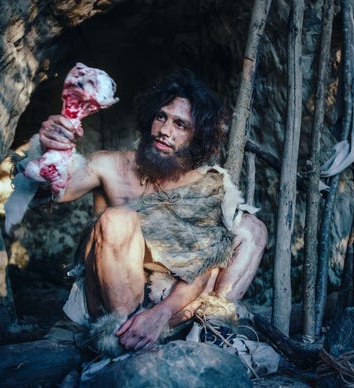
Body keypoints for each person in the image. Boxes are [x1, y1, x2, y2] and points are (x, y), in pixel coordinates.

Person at [36, 69, 267, 354]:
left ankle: (212, 326)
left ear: (197, 137)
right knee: (118, 218)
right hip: (112, 309)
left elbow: (201, 268)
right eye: (162, 117)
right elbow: (51, 191)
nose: (165, 131)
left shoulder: (205, 185)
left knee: (250, 228)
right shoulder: (110, 166)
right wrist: (51, 151)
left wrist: (160, 314)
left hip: (171, 309)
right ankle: (124, 339)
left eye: (181, 125)